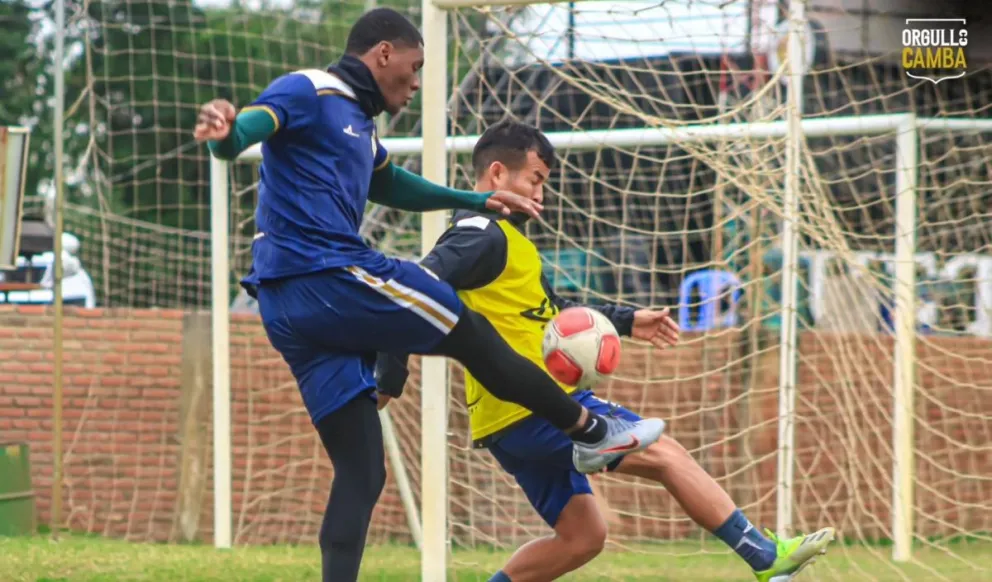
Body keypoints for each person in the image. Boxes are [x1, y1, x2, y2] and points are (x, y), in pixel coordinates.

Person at [192, 8, 665, 582]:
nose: (416, 84)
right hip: (328, 275)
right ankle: (591, 432)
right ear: (383, 54)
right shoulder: (310, 90)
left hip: (287, 307)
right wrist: (226, 133)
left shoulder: (360, 125)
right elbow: (248, 130)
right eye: (414, 69)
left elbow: (390, 183)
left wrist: (476, 201)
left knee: (363, 470)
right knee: (467, 330)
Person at [375, 120, 836, 582]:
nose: (542, 194)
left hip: (505, 422)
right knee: (666, 454)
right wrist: (390, 375)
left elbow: (553, 313)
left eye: (545, 184)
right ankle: (765, 557)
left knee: (582, 537)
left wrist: (626, 320)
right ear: (497, 175)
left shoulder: (508, 242)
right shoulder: (481, 234)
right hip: (537, 409)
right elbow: (416, 287)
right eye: (535, 180)